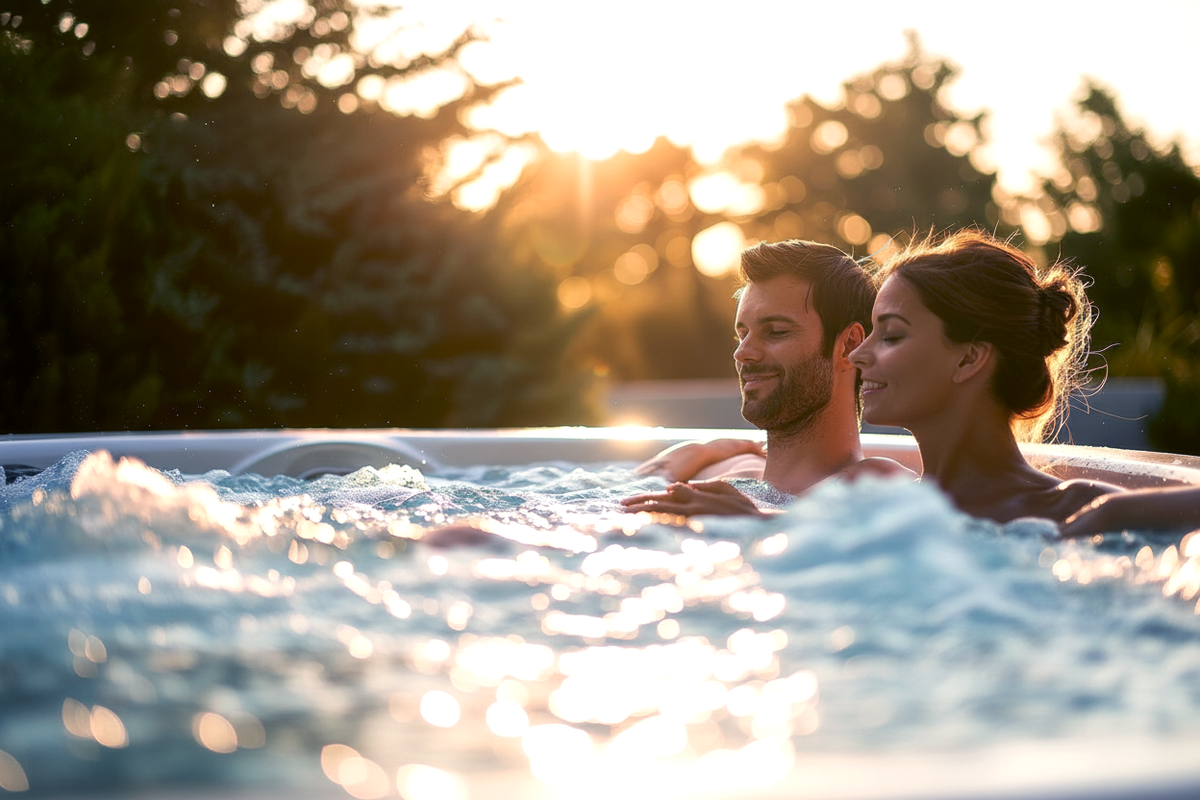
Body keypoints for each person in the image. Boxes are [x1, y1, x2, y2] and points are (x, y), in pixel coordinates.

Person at [847, 229, 1123, 524]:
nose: (856, 355)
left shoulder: (1080, 510)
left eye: (891, 335)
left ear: (969, 358)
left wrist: (1111, 510)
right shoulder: (871, 501)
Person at [622, 239, 908, 517]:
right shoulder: (722, 469)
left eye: (776, 332)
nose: (742, 353)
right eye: (743, 334)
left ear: (849, 346)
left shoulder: (874, 488)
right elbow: (624, 494)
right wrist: (696, 453)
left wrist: (756, 522)